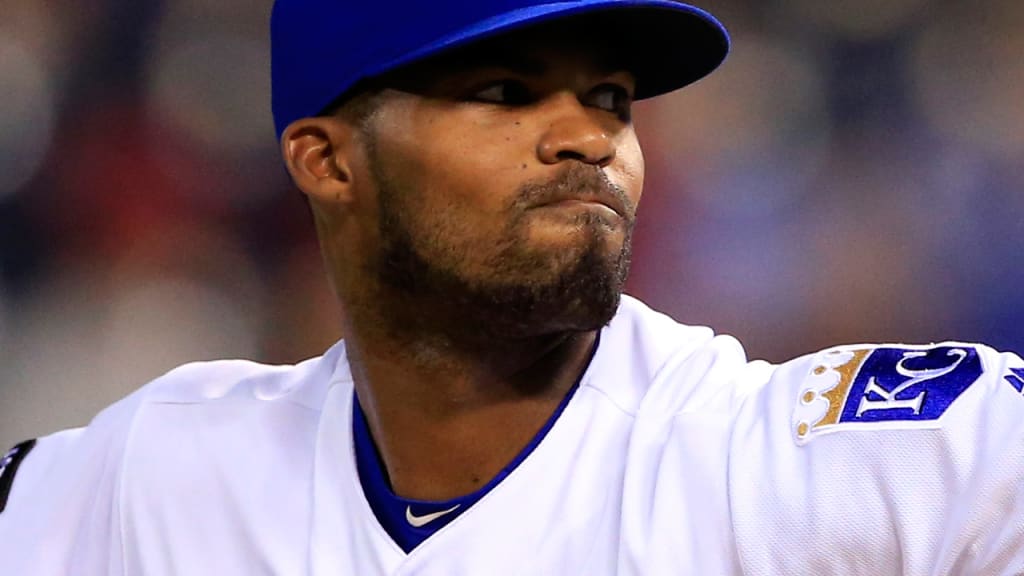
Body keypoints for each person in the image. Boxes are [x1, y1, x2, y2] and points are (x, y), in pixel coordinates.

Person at [1, 0, 1022, 573]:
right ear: (327, 160)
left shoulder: (779, 461)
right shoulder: (154, 471)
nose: (589, 137)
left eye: (610, 96)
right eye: (504, 91)